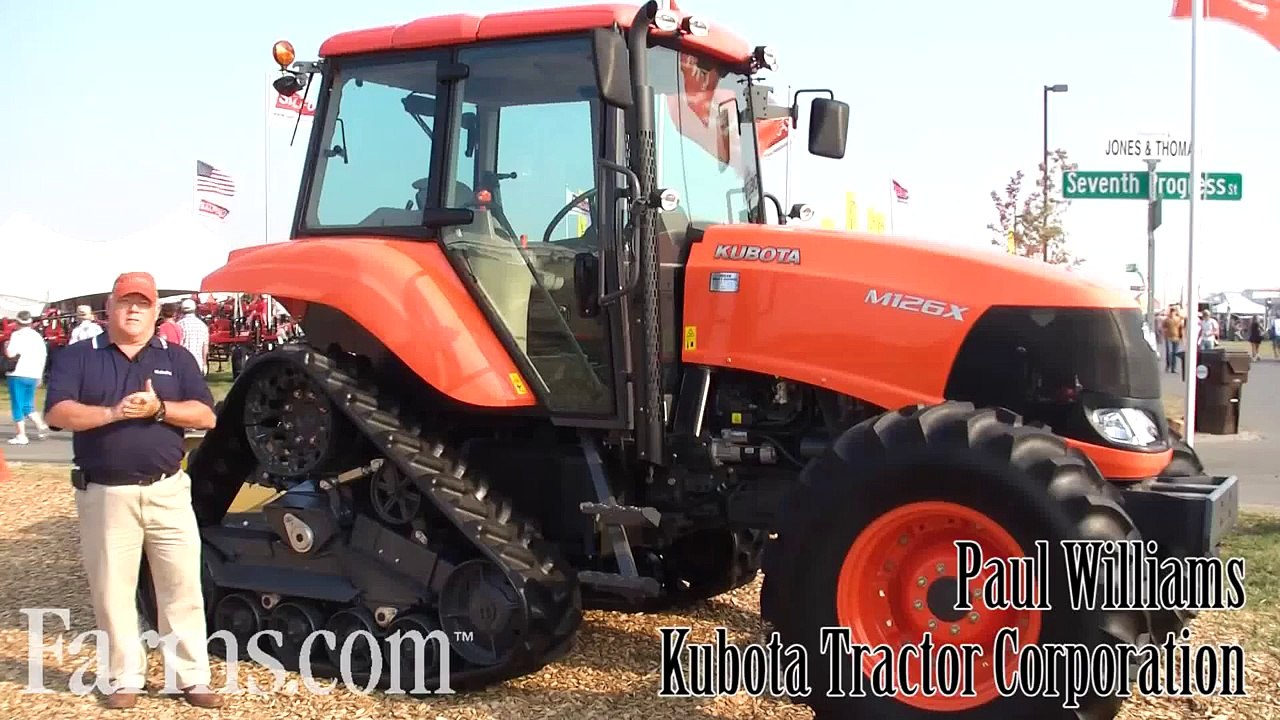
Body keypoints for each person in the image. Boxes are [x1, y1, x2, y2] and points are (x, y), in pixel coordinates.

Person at [43, 272, 221, 710]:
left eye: (144, 303)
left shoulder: (176, 358)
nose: (135, 310)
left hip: (168, 492)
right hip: (106, 494)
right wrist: (113, 412)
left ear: (158, 311)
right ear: (110, 307)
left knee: (182, 586)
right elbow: (59, 411)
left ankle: (190, 677)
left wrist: (160, 409)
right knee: (112, 591)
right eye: (126, 302)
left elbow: (206, 415)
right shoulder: (77, 357)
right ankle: (124, 677)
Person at [4, 310, 51, 444]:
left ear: (18, 322)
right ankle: (41, 425)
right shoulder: (37, 337)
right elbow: (44, 356)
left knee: (17, 404)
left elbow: (11, 354)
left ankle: (21, 435)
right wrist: (40, 375)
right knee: (27, 404)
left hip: (17, 373)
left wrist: (6, 348)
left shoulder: (16, 335)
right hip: (33, 373)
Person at [175, 298, 210, 376]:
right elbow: (205, 347)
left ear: (182, 310)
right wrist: (204, 364)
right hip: (198, 363)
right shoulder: (202, 325)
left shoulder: (179, 325)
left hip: (183, 363)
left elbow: (177, 345)